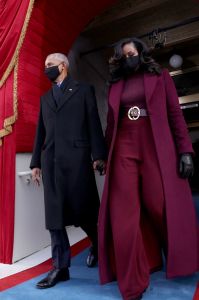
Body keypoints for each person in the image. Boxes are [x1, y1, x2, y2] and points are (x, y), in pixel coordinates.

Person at [98, 37, 198, 300]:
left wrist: (186, 150)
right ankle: (132, 283)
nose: (127, 57)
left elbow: (175, 114)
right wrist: (102, 156)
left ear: (141, 53)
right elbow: (110, 125)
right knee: (123, 216)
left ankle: (168, 256)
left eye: (131, 53)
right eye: (122, 55)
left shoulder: (161, 76)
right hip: (123, 149)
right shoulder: (115, 84)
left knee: (159, 205)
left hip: (156, 146)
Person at [30, 53, 106, 289]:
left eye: (49, 66)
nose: (46, 70)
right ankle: (60, 268)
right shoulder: (45, 98)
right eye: (44, 66)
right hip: (51, 161)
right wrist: (35, 163)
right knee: (55, 218)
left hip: (77, 161)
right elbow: (40, 132)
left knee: (85, 212)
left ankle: (99, 245)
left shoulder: (83, 90)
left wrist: (99, 155)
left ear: (63, 66)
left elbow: (93, 123)